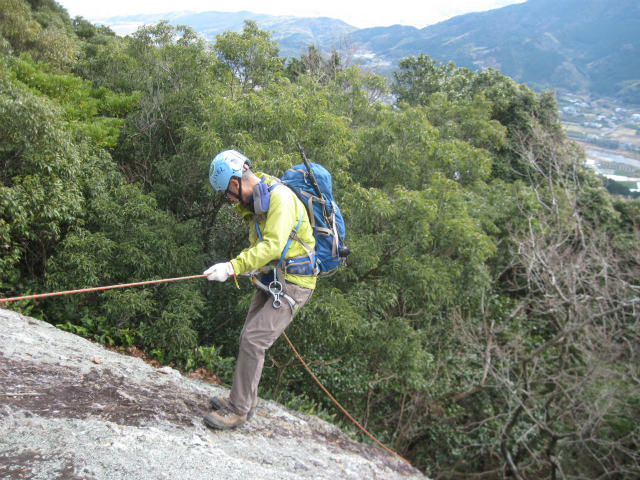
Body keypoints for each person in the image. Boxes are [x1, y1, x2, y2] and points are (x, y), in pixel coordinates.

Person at [202, 149, 317, 430]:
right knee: (249, 336)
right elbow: (262, 248)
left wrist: (232, 267)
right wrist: (244, 267)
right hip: (273, 278)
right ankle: (245, 401)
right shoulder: (257, 202)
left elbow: (273, 246)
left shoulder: (279, 198)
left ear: (233, 183)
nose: (228, 200)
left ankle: (238, 410)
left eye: (226, 194)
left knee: (254, 340)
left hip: (295, 282)